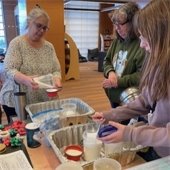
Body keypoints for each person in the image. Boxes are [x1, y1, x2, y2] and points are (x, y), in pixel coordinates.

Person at [92, 0, 170, 161]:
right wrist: (111, 115)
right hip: (155, 144)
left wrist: (130, 133)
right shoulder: (159, 63)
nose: (141, 44)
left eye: (145, 37)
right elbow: (145, 101)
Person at [0, 6, 62, 123]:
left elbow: (56, 70)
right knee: (21, 133)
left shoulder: (49, 47)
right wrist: (25, 79)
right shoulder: (17, 43)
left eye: (45, 28)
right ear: (29, 22)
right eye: (38, 25)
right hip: (17, 100)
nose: (42, 30)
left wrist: (57, 79)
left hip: (42, 100)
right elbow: (9, 69)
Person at [103, 2, 146, 108]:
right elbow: (107, 61)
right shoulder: (117, 41)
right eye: (115, 24)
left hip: (131, 98)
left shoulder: (143, 44)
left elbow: (143, 75)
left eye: (121, 24)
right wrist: (110, 72)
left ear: (133, 23)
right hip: (114, 95)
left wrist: (119, 81)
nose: (117, 28)